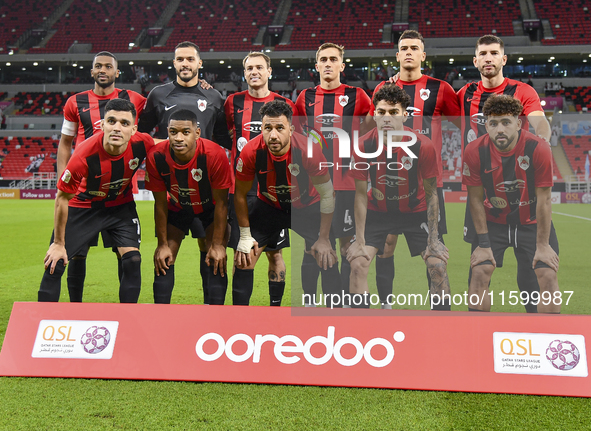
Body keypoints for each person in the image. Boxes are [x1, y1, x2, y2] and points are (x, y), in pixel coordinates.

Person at [366, 30, 460, 308]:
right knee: (386, 247)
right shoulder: (382, 89)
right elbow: (373, 129)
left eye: (413, 48)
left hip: (427, 181)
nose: (408, 52)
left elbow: (463, 124)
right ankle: (386, 305)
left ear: (423, 55)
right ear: (397, 55)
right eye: (403, 48)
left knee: (434, 250)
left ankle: (440, 309)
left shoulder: (441, 88)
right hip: (389, 177)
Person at [458, 35, 551, 309]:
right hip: (482, 186)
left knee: (530, 263)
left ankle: (535, 322)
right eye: (483, 53)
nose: (488, 58)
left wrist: (542, 144)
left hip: (521, 184)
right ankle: (477, 329)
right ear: (475, 61)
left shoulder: (523, 91)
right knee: (479, 262)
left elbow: (539, 124)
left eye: (494, 53)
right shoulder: (464, 95)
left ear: (503, 59)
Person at [138, 41, 231, 304]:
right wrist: (166, 147)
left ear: (200, 64)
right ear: (174, 63)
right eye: (180, 59)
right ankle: (161, 318)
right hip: (175, 190)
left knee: (211, 252)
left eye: (191, 59)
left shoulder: (214, 97)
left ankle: (212, 315)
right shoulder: (158, 94)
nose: (185, 64)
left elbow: (224, 139)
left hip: (208, 188)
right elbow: (143, 135)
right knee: (165, 254)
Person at [38, 99, 155, 303]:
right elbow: (62, 198)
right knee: (55, 262)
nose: (117, 128)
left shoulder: (143, 143)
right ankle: (43, 326)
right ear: (102, 125)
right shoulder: (84, 154)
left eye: (124, 123)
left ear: (134, 129)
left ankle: (127, 320)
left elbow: (166, 144)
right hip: (83, 206)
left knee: (133, 260)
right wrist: (58, 243)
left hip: (120, 206)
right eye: (111, 121)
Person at [346, 84, 450, 309]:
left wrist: (433, 239)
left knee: (438, 266)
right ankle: (358, 333)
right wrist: (360, 241)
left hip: (416, 212)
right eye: (381, 112)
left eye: (393, 112)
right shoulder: (363, 145)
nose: (386, 118)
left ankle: (443, 330)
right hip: (379, 212)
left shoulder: (423, 145)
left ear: (405, 115)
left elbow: (433, 195)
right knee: (357, 264)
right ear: (374, 114)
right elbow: (361, 196)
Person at [59, 51, 146, 303]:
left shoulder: (135, 99)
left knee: (127, 254)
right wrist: (63, 180)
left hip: (118, 190)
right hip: (82, 188)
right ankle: (76, 306)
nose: (103, 70)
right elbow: (65, 143)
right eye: (98, 66)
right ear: (92, 70)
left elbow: (164, 104)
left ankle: (126, 310)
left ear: (117, 73)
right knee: (77, 253)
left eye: (108, 66)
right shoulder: (75, 102)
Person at [234, 100, 339, 307]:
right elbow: (240, 194)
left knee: (327, 256)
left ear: (291, 129)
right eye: (267, 128)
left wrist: (324, 238)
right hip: (269, 207)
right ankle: (238, 321)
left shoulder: (308, 150)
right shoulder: (250, 151)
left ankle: (333, 318)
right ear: (261, 128)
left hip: (306, 208)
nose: (273, 135)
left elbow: (327, 194)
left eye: (279, 128)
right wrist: (245, 236)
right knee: (244, 258)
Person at [463, 95, 560, 313]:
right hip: (494, 221)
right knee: (479, 272)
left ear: (518, 123)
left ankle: (548, 339)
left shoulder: (538, 148)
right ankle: (477, 337)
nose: (500, 129)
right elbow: (475, 198)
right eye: (493, 123)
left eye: (506, 122)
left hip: (531, 222)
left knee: (547, 274)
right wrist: (484, 244)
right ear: (486, 125)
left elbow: (544, 199)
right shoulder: (474, 151)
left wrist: (543, 246)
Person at [295, 43, 371, 305]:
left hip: (347, 184)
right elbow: (297, 138)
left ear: (342, 65)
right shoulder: (304, 97)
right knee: (312, 244)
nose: (328, 64)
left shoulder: (357, 95)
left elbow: (372, 126)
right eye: (323, 60)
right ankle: (308, 300)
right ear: (316, 66)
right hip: (315, 186)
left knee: (346, 245)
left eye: (333, 59)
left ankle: (341, 301)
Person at [224, 52, 296, 306]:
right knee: (243, 253)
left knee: (275, 253)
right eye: (249, 68)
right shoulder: (232, 102)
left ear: (269, 71)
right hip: (242, 189)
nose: (254, 71)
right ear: (244, 73)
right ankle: (239, 315)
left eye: (259, 67)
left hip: (275, 192)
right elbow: (225, 135)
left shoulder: (284, 104)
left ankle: (274, 308)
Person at [145, 109, 232, 304]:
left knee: (216, 257)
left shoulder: (214, 154)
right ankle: (161, 317)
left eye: (185, 132)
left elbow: (223, 204)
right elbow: (159, 204)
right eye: (173, 132)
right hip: (178, 208)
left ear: (197, 133)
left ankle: (215, 316)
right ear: (167, 131)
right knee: (164, 259)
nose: (178, 138)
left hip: (211, 209)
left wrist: (218, 245)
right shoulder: (156, 156)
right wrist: (162, 244)